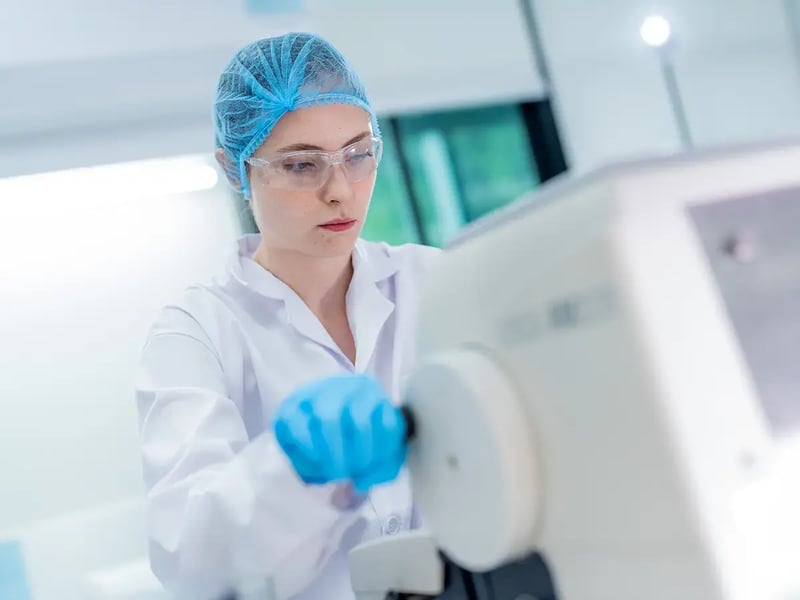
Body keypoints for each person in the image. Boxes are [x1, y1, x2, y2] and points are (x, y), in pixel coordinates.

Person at [135, 32, 440, 600]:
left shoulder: (436, 283)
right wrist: (292, 471)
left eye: (357, 153)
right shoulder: (197, 331)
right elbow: (191, 562)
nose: (339, 190)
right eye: (302, 165)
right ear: (236, 170)